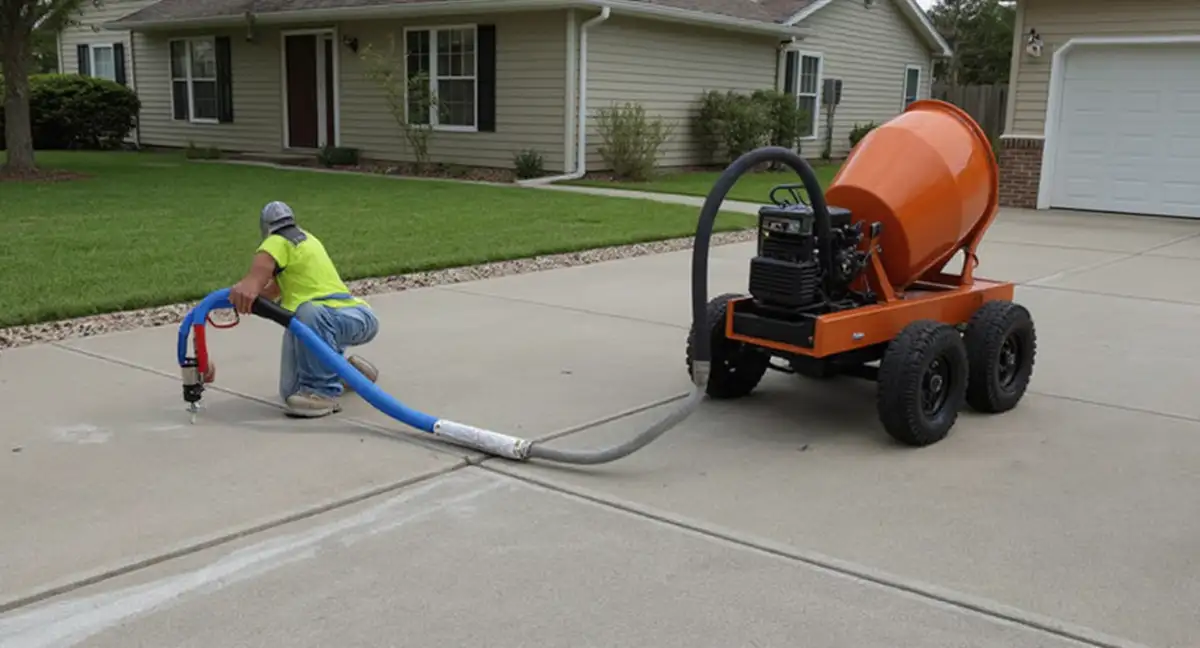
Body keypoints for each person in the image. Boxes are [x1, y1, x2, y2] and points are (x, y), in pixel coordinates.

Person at [229, 201, 380, 418]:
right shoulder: (308, 241)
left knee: (307, 313)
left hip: (329, 316)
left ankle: (322, 393)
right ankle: (350, 374)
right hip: (352, 317)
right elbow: (271, 292)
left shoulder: (275, 243)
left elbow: (251, 285)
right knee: (291, 392)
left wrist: (243, 289)